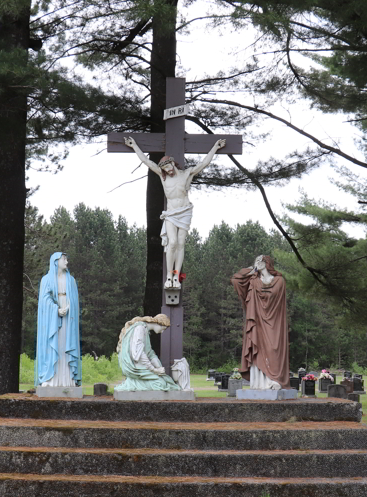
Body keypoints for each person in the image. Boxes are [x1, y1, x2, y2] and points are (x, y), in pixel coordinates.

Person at [124, 136, 226, 289]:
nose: (168, 170)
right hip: (171, 213)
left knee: (180, 244)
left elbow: (204, 163)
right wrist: (134, 146)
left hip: (184, 212)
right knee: (172, 243)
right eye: (164, 168)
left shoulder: (187, 174)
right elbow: (147, 162)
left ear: (173, 162)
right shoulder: (162, 176)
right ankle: (169, 276)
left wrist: (215, 148)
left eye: (168, 166)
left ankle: (176, 276)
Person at [231, 255, 290, 390]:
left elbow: (274, 298)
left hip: (273, 322)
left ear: (267, 263)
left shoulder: (279, 281)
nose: (257, 263)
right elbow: (236, 280)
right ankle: (259, 383)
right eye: (256, 261)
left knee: (273, 350)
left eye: (260, 261)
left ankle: (274, 380)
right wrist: (252, 269)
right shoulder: (253, 281)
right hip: (256, 322)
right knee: (257, 349)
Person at [35, 252, 81, 387]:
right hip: (52, 319)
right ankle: (50, 378)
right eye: (64, 259)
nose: (66, 262)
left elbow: (74, 300)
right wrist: (56, 310)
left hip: (68, 317)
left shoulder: (71, 280)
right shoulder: (46, 279)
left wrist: (68, 308)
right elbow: (44, 299)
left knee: (65, 344)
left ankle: (68, 379)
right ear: (56, 261)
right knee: (53, 343)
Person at [115, 313, 181, 391]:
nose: (162, 332)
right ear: (159, 323)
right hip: (134, 366)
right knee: (160, 384)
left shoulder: (145, 329)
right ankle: (136, 382)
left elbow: (149, 353)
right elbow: (139, 354)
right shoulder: (140, 328)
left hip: (140, 364)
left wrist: (158, 367)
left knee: (166, 380)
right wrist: (154, 370)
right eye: (163, 328)